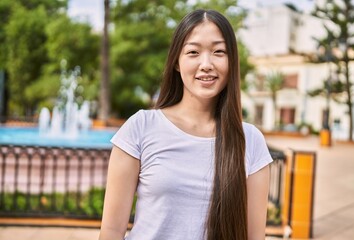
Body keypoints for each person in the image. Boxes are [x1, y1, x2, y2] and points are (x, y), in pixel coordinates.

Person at [99, 9, 272, 240]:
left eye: (219, 52)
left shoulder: (250, 140)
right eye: (193, 52)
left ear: (231, 61)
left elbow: (254, 237)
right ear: (177, 62)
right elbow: (111, 231)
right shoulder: (141, 127)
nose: (206, 64)